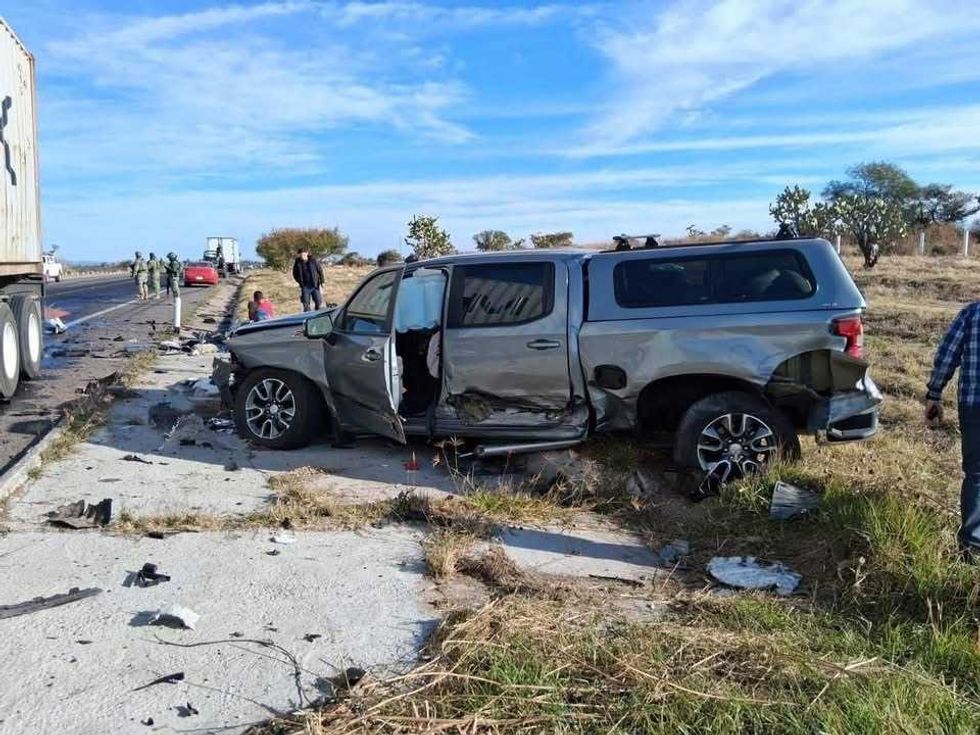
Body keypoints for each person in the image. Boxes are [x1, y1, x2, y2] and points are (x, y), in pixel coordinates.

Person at [925, 300, 980, 562]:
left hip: (974, 407)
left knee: (976, 475)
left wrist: (934, 393)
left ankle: (971, 547)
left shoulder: (972, 313)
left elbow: (948, 356)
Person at [292, 248, 325, 312]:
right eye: (301, 254)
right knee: (306, 304)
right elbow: (294, 273)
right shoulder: (297, 262)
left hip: (315, 285)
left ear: (307, 253)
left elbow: (320, 271)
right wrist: (299, 281)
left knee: (318, 302)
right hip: (305, 287)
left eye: (304, 254)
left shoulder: (313, 260)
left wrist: (322, 281)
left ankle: (318, 315)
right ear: (299, 255)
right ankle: (308, 317)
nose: (302, 256)